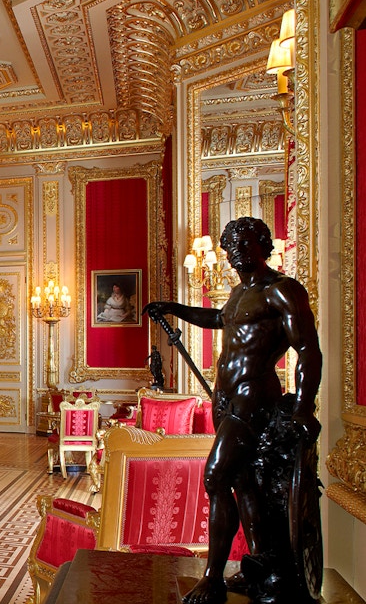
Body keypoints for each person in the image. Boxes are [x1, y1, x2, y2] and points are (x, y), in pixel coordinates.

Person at [144, 217, 321, 604]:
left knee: (215, 476)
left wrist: (305, 408)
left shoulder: (282, 290)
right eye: (230, 246)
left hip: (253, 399)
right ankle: (260, 562)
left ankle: (213, 578)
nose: (235, 251)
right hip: (225, 400)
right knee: (244, 483)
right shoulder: (239, 293)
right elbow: (217, 319)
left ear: (263, 245)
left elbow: (308, 349)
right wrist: (174, 308)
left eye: (244, 243)